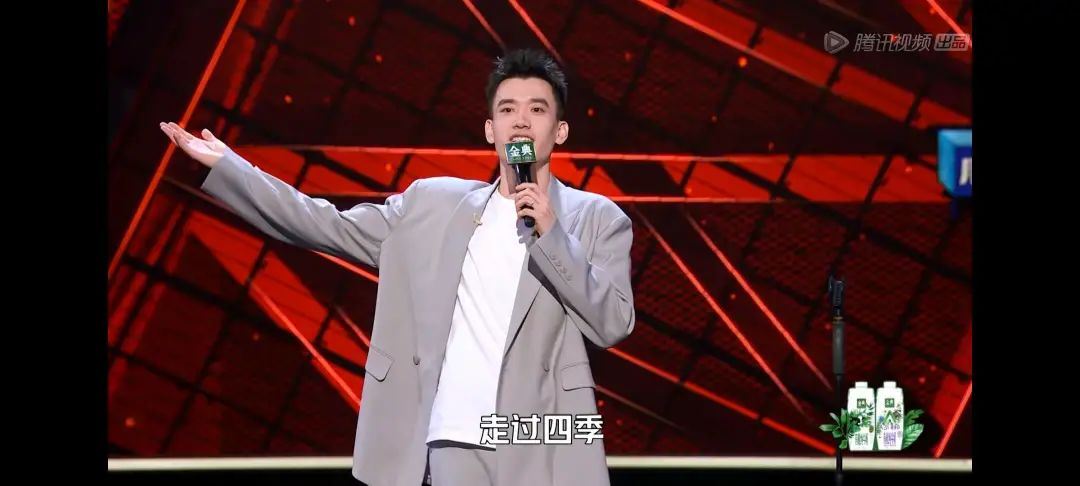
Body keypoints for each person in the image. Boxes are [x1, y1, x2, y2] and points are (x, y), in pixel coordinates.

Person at [160, 48, 635, 486]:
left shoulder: (596, 219)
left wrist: (551, 235)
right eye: (508, 109)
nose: (521, 122)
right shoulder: (432, 205)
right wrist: (230, 168)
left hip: (539, 444)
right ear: (491, 130)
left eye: (537, 110)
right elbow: (322, 223)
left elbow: (613, 323)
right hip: (452, 438)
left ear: (560, 131)